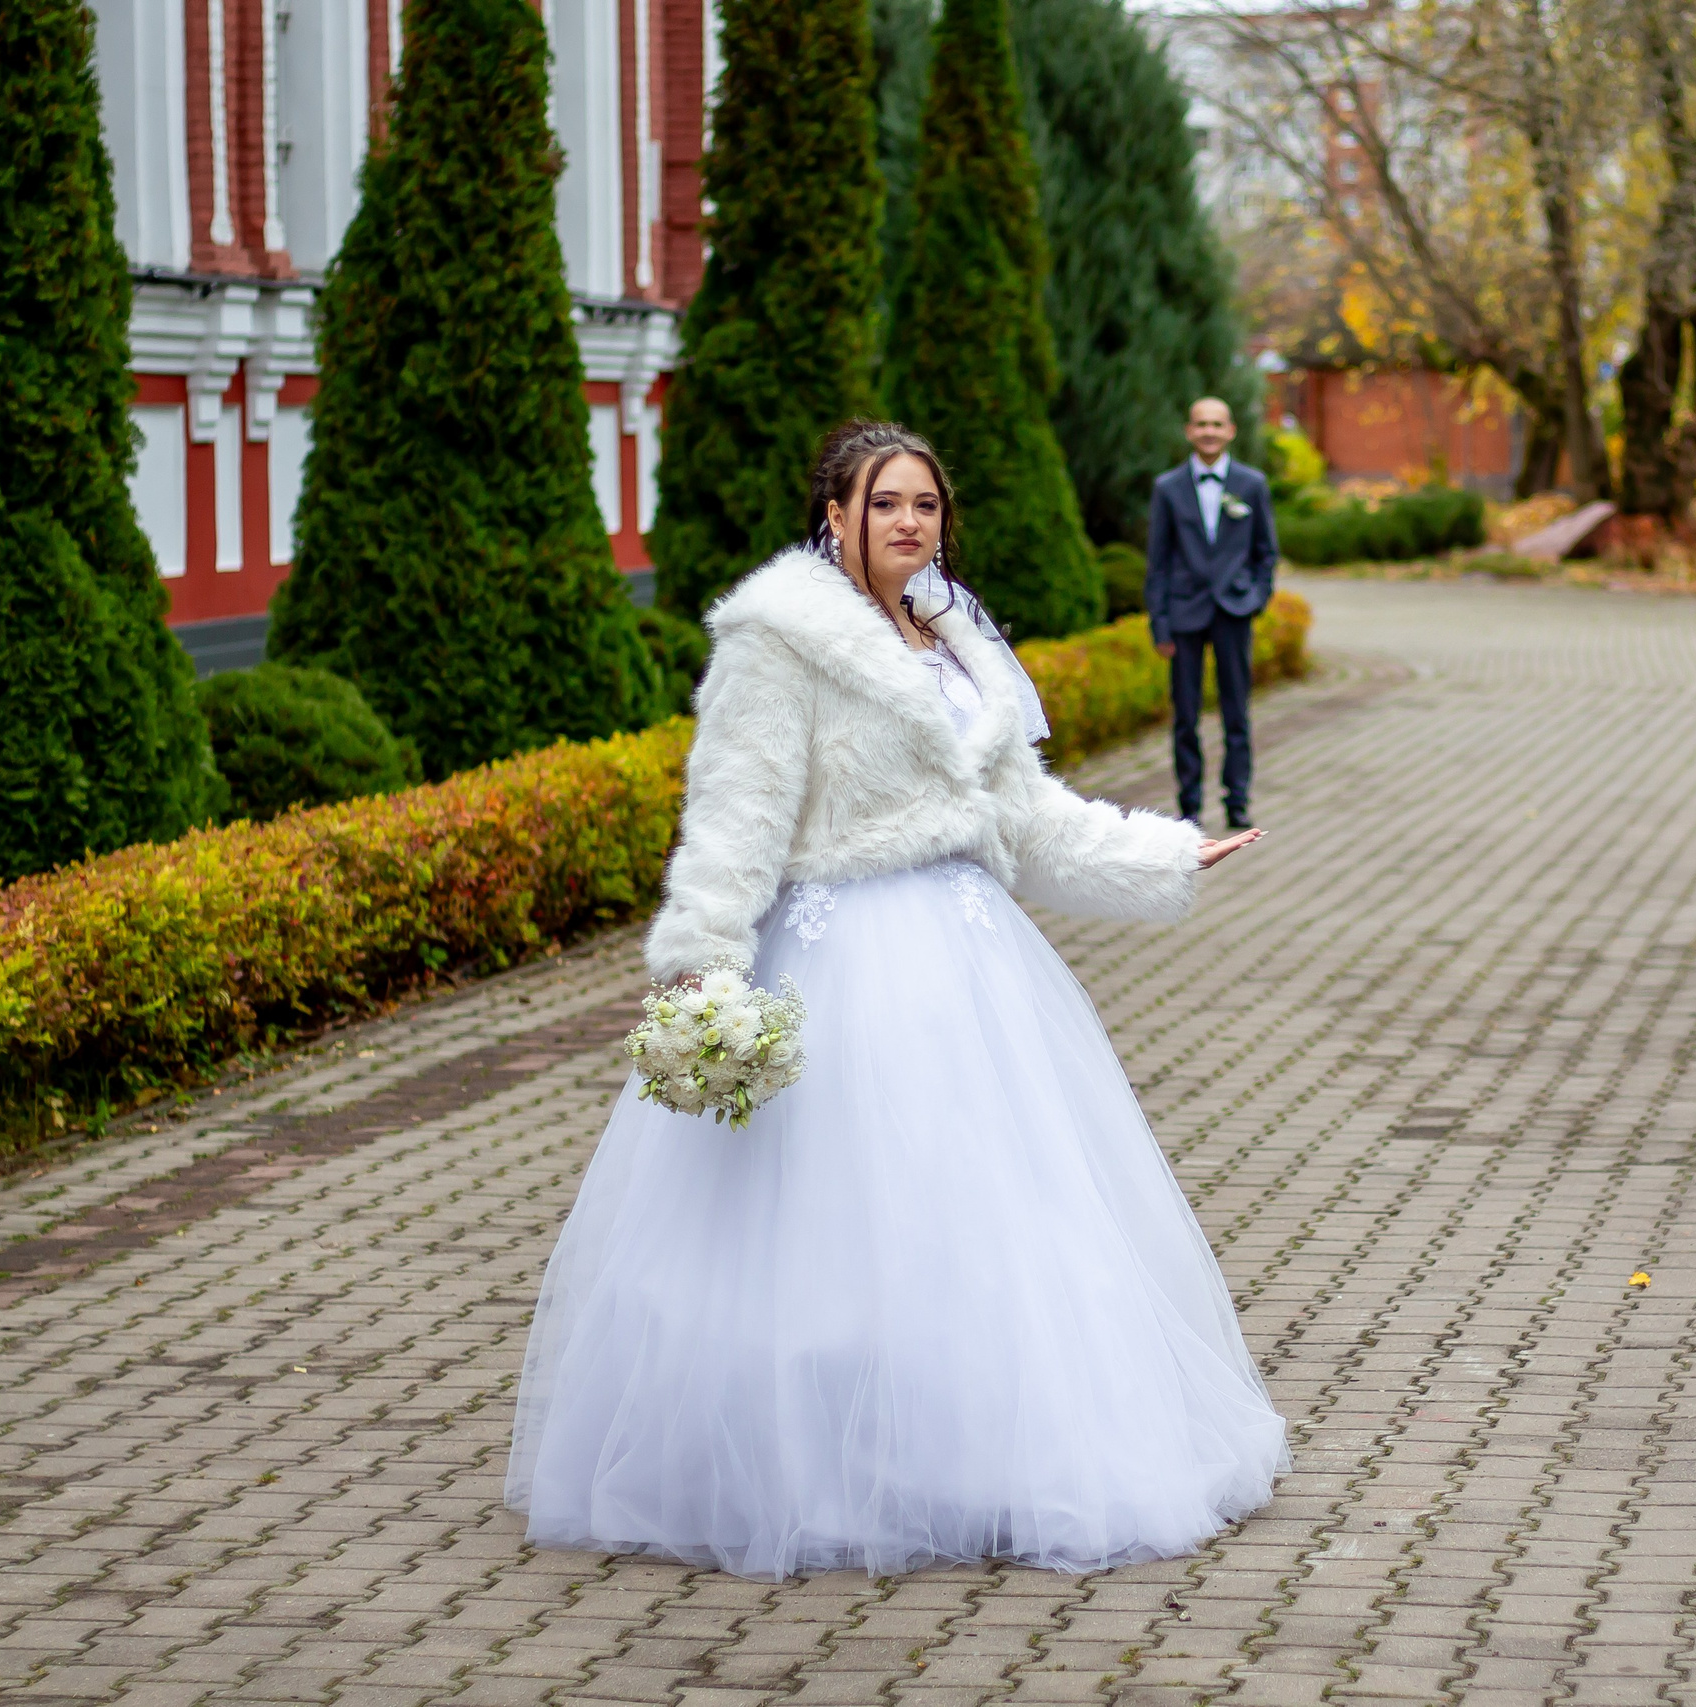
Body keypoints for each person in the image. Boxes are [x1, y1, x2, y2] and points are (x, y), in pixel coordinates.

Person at [506, 421, 1289, 1579]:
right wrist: (706, 965)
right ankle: (812, 1464)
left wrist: (1166, 856)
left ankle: (967, 1455)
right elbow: (736, 812)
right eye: (884, 504)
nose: (909, 523)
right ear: (835, 516)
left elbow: (1020, 818)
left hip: (971, 962)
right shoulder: (782, 642)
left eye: (925, 503)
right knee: (825, 1233)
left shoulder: (959, 637)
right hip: (835, 960)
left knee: (983, 1228)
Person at [1145, 397, 1279, 830]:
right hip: (1184, 613)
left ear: (1231, 431)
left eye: (1217, 424)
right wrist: (1160, 623)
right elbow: (1159, 561)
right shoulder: (1168, 487)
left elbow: (1266, 552)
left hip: (1233, 611)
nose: (1209, 431)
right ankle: (1189, 805)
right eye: (1201, 424)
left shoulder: (1251, 484)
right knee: (1185, 715)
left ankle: (1237, 800)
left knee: (1236, 712)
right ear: (1189, 431)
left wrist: (1255, 598)